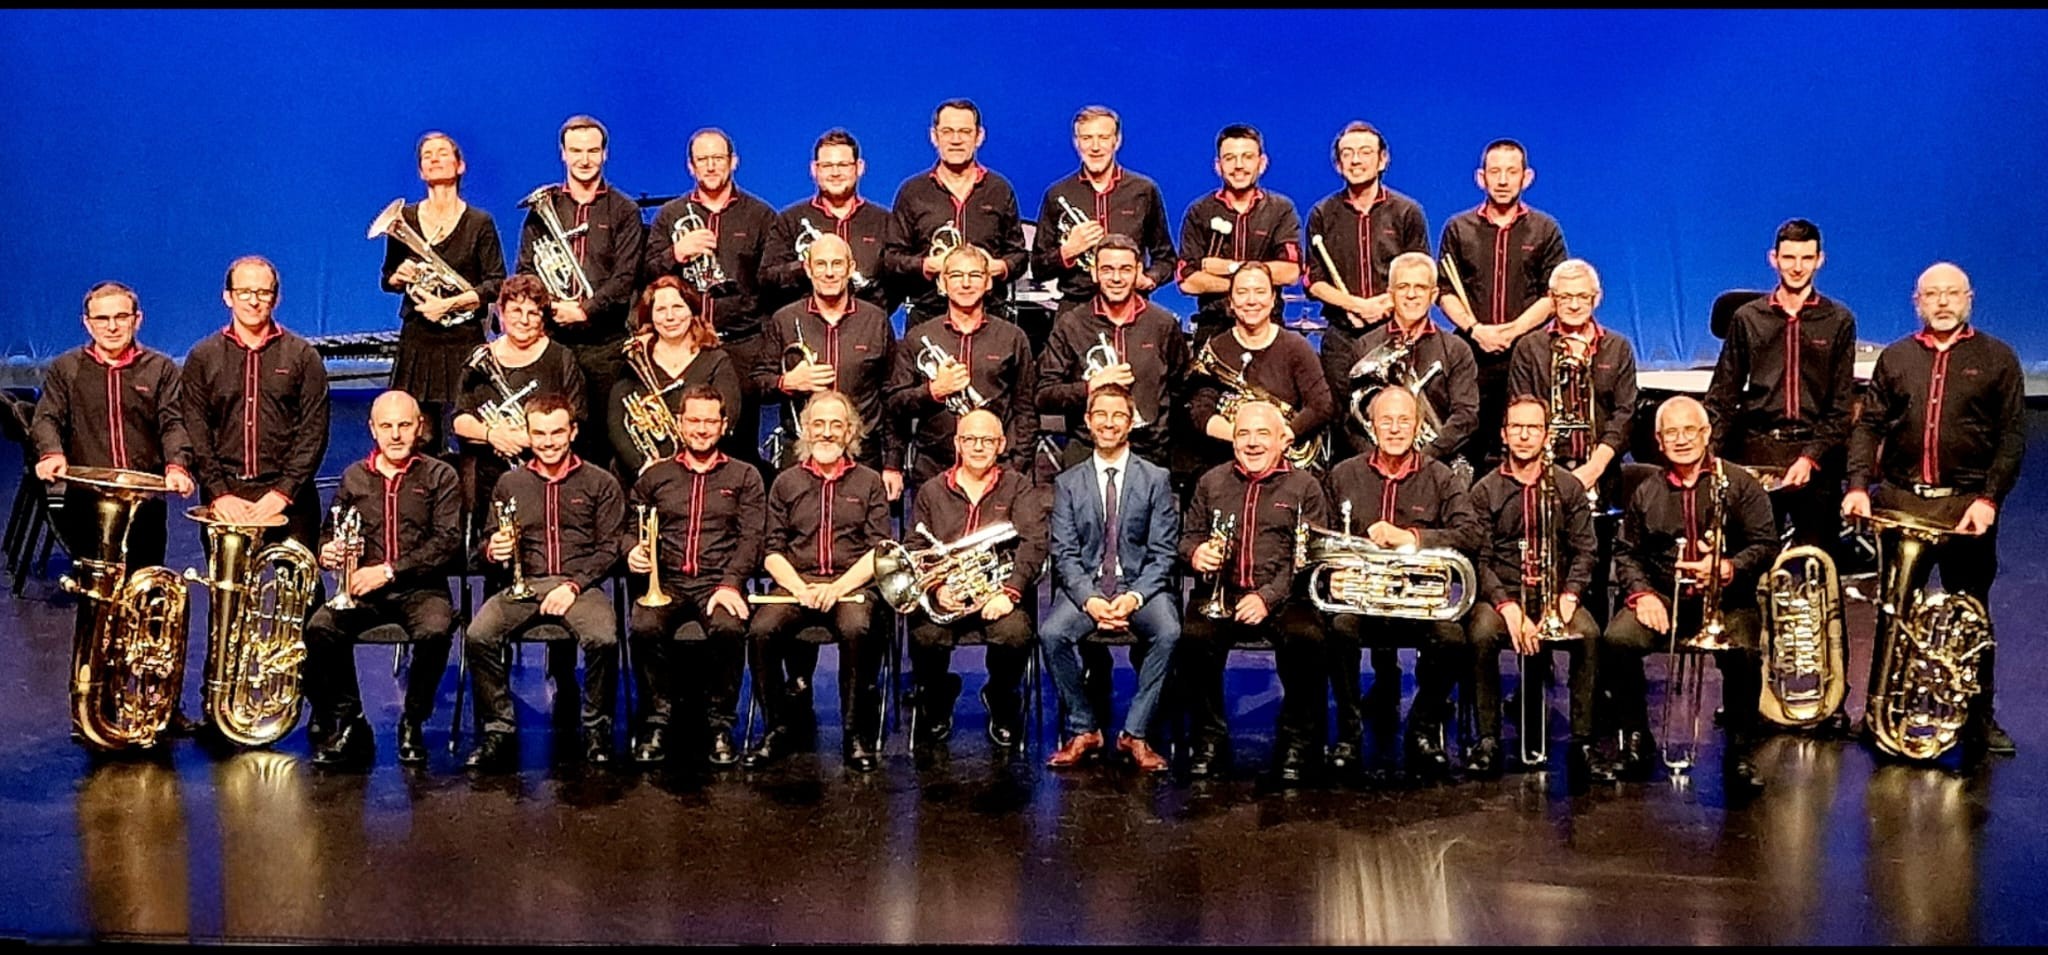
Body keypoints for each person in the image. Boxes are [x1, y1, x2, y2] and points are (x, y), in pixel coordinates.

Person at [1843, 261, 2026, 758]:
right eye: (1932, 294)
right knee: (1893, 611)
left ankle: (1978, 718)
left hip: (1965, 506)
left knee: (1970, 615)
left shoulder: (1998, 358)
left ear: (1969, 299)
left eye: (1952, 293)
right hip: (1901, 501)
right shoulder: (1897, 357)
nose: (1942, 302)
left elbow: (2011, 437)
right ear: (1917, 302)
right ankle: (1879, 714)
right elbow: (1869, 425)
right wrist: (1858, 485)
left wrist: (1989, 499)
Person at [1605, 396, 1776, 793]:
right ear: (1659, 442)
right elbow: (1626, 552)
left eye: (1689, 430)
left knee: (1744, 653)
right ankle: (1636, 738)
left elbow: (1766, 544)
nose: (1681, 440)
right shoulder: (1646, 491)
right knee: (1617, 640)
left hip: (1728, 599)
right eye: (1671, 433)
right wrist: (1643, 595)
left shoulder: (1740, 483)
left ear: (1706, 433)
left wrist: (1729, 567)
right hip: (1666, 598)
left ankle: (1739, 750)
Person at [1320, 387, 1481, 778]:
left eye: (1404, 420)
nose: (1394, 429)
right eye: (1386, 421)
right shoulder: (1343, 475)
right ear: (1371, 427)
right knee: (1338, 631)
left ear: (1419, 425)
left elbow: (1470, 534)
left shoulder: (1441, 478)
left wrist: (1411, 538)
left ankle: (1422, 729)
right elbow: (1320, 536)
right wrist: (1332, 574)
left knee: (1452, 640)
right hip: (1359, 600)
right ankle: (1349, 735)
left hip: (1417, 602)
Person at [464, 393, 627, 771]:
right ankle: (498, 730)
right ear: (528, 434)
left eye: (557, 432)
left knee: (603, 638)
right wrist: (494, 550)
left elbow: (610, 548)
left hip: (580, 586)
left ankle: (596, 729)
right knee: (478, 635)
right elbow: (484, 546)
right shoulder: (509, 483)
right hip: (524, 586)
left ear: (573, 432)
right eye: (539, 434)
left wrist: (572, 586)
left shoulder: (600, 482)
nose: (548, 442)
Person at [301, 391, 462, 768]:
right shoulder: (354, 476)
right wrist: (328, 551)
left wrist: (389, 570)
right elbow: (329, 531)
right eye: (386, 426)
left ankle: (413, 721)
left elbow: (447, 542)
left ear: (420, 427)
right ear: (372, 429)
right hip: (362, 589)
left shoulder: (441, 475)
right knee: (321, 628)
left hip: (421, 587)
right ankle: (352, 721)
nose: (395, 434)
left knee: (436, 631)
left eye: (404, 425)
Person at [1179, 401, 1329, 782]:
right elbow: (1188, 537)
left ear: (1282, 440)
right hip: (1222, 593)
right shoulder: (1210, 482)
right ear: (1233, 441)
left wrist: (1267, 597)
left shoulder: (1306, 487)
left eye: (1263, 433)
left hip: (1285, 595)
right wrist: (1196, 553)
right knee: (1193, 638)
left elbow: (1309, 557)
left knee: (1306, 638)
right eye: (1243, 433)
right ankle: (1209, 739)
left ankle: (1296, 740)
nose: (1252, 442)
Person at [744, 390, 893, 773]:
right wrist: (799, 588)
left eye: (836, 425)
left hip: (852, 585)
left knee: (857, 628)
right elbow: (772, 551)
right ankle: (776, 727)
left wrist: (837, 588)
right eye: (819, 424)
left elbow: (879, 552)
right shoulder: (785, 482)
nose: (827, 433)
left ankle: (854, 733)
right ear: (806, 430)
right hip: (797, 582)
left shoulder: (870, 482)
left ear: (850, 432)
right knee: (761, 631)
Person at [624, 385, 766, 767]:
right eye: (694, 421)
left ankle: (720, 725)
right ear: (680, 423)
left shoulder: (745, 475)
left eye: (710, 421)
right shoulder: (656, 476)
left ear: (724, 425)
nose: (701, 429)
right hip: (666, 581)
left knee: (729, 628)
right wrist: (632, 550)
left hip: (717, 581)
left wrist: (731, 583)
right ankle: (657, 720)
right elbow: (629, 527)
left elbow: (752, 538)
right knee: (644, 627)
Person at [1465, 396, 1605, 781]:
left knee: (1589, 634)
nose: (1525, 436)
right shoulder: (1484, 491)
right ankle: (1488, 739)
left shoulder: (1568, 487)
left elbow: (1586, 550)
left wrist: (1569, 596)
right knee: (1481, 633)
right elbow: (1479, 560)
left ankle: (1583, 742)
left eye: (1533, 428)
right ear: (1504, 434)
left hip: (1556, 595)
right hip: (1502, 595)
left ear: (1546, 436)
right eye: (1517, 428)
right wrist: (1507, 606)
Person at [1041, 386, 1181, 772]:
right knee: (1052, 634)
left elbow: (1163, 553)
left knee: (1169, 631)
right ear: (1088, 421)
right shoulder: (1069, 482)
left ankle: (1135, 732)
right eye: (1100, 414)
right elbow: (1064, 554)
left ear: (1130, 422)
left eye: (1118, 415)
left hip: (1139, 586)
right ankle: (1084, 728)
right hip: (1087, 587)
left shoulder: (1155, 478)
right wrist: (1090, 600)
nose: (1108, 423)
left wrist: (1134, 597)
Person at [1706, 219, 1858, 561]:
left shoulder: (1839, 320)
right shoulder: (1747, 318)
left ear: (1820, 260)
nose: (1797, 267)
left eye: (1806, 258)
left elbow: (1840, 407)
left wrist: (1810, 457)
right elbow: (1723, 395)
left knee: (1818, 562)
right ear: (1773, 259)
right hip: (1757, 453)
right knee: (1750, 560)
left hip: (1816, 454)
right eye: (1789, 258)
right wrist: (1709, 456)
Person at [904, 410, 1047, 755]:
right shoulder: (931, 491)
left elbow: (1035, 542)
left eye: (987, 440)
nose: (978, 447)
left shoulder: (1018, 487)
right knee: (924, 635)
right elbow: (915, 548)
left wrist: (1010, 592)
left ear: (1001, 444)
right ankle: (937, 695)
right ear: (957, 443)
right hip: (946, 593)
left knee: (1014, 634)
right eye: (970, 439)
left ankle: (1000, 696)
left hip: (999, 593)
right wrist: (936, 588)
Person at [513, 114, 646, 470]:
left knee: (603, 440)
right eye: (575, 151)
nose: (584, 159)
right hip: (554, 342)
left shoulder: (624, 210)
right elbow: (527, 271)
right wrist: (553, 306)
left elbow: (625, 277)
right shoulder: (542, 211)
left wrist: (585, 309)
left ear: (605, 154)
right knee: (552, 435)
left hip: (606, 346)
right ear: (563, 153)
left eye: (592, 151)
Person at [33, 281, 195, 572]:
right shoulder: (66, 368)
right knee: (93, 587)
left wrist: (177, 466)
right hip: (87, 500)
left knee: (144, 584)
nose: (112, 327)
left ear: (137, 319)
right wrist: (51, 453)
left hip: (145, 502)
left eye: (121, 317)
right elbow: (47, 418)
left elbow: (173, 422)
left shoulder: (161, 368)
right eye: (102, 318)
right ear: (87, 323)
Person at [643, 128, 777, 468]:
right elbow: (645, 274)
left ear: (734, 161)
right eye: (702, 159)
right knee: (683, 434)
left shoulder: (760, 215)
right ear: (691, 166)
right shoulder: (671, 214)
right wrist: (676, 253)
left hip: (742, 346)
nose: (711, 166)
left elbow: (772, 283)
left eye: (718, 158)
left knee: (739, 441)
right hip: (684, 347)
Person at [182, 256, 330, 554]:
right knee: (227, 585)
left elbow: (314, 432)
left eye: (263, 292)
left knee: (300, 584)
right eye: (244, 292)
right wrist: (219, 493)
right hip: (226, 499)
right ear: (228, 297)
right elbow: (196, 431)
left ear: (276, 298)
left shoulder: (303, 356)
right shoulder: (202, 357)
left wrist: (283, 492)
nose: (253, 301)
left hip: (291, 499)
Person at [1436, 139, 1568, 469]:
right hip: (1471, 352)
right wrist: (1475, 329)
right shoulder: (1458, 228)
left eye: (1512, 172)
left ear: (1527, 177)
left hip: (1526, 353)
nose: (1504, 180)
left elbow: (1553, 294)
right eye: (1495, 172)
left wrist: (1513, 331)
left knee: (1524, 441)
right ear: (1481, 178)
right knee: (1469, 447)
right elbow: (1444, 290)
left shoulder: (1545, 229)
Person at [1303, 120, 1432, 459]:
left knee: (1394, 414)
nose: (1356, 160)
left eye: (1365, 152)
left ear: (1382, 159)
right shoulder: (1322, 213)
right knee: (1345, 420)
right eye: (1348, 153)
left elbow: (1419, 272)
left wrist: (1382, 306)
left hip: (1393, 333)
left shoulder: (1407, 212)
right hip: (1341, 336)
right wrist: (1355, 305)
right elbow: (1313, 280)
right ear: (1338, 163)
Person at [380, 130, 506, 455]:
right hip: (418, 339)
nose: (434, 159)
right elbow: (386, 278)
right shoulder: (404, 220)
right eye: (427, 156)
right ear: (421, 171)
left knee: (469, 435)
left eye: (442, 153)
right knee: (420, 435)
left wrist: (449, 304)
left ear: (460, 166)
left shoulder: (480, 222)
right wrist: (399, 276)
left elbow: (495, 283)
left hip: (463, 337)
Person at [755, 233, 901, 495]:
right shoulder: (784, 320)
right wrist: (786, 383)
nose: (830, 273)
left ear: (850, 268)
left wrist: (892, 463)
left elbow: (891, 394)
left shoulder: (876, 320)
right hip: (801, 451)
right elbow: (757, 382)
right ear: (808, 269)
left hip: (862, 453)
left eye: (837, 264)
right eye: (821, 264)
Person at [885, 243, 1037, 485]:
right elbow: (895, 404)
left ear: (988, 282)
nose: (966, 284)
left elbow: (1025, 410)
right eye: (956, 275)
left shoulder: (1013, 337)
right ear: (942, 283)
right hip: (933, 470)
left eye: (974, 275)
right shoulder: (918, 337)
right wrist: (933, 392)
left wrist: (1019, 466)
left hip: (999, 470)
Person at [1036, 235, 1190, 469]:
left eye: (1125, 269)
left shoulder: (1163, 324)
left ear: (1138, 272)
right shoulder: (1071, 324)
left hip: (1150, 451)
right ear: (1094, 273)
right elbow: (1044, 396)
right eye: (1107, 269)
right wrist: (1090, 387)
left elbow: (1181, 388)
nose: (1116, 278)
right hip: (1087, 449)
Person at [450, 273, 587, 518]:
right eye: (515, 311)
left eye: (533, 313)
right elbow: (460, 420)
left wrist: (527, 439)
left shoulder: (561, 358)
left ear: (543, 318)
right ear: (501, 313)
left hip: (548, 474)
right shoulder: (480, 358)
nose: (524, 320)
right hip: (490, 476)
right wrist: (493, 435)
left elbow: (578, 417)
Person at [883, 99, 1030, 324]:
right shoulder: (912, 192)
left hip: (990, 318)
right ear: (934, 136)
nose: (956, 140)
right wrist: (928, 265)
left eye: (965, 132)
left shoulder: (999, 190)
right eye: (947, 131)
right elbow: (891, 259)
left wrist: (998, 267)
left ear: (979, 136)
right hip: (928, 316)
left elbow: (1019, 256)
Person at [1506, 258, 1638, 508]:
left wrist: (1594, 468)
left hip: (1604, 473)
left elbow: (1625, 414)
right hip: (1542, 472)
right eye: (1565, 297)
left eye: (1582, 296)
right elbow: (1520, 411)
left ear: (1596, 298)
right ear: (1551, 299)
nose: (1574, 305)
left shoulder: (1618, 347)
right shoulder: (1529, 348)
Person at [1185, 263, 1331, 475]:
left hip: (1285, 463)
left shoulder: (1296, 347)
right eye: (1242, 292)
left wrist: (1282, 435)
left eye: (1260, 292)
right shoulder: (1215, 349)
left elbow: (1321, 405)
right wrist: (1245, 438)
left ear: (1273, 300)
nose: (1251, 300)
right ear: (1231, 301)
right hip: (1226, 464)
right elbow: (1200, 411)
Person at [1030, 105, 1176, 307]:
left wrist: (1149, 279)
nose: (1095, 147)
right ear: (1076, 142)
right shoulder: (1057, 194)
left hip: (1132, 307)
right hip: (1076, 310)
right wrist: (1068, 251)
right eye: (1087, 138)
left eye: (1104, 138)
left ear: (1117, 141)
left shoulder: (1144, 190)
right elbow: (1038, 268)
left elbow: (1167, 259)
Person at [1174, 124, 1303, 349]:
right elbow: (1187, 281)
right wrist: (1252, 285)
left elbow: (1290, 272)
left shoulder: (1281, 209)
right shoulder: (1199, 211)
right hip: (1213, 328)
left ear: (1262, 163)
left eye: (1247, 157)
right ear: (1218, 166)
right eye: (1230, 158)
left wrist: (1230, 268)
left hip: (1270, 329)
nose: (1239, 165)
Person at [1346, 252, 1481, 466]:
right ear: (1390, 294)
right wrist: (1381, 458)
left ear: (1433, 295)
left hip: (1438, 465)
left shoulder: (1456, 350)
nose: (1411, 295)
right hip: (1377, 466)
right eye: (1403, 287)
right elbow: (1352, 420)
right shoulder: (1364, 347)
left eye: (1420, 287)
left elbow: (1465, 416)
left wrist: (1423, 458)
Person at [607, 277, 744, 476]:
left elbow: (727, 417)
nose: (670, 317)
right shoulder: (635, 358)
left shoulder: (716, 360)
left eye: (678, 307)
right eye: (661, 310)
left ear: (692, 310)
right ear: (650, 316)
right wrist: (641, 466)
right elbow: (617, 423)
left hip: (701, 468)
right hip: (642, 472)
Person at [761, 128, 897, 314]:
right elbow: (767, 278)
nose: (835, 173)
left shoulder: (884, 221)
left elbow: (897, 283)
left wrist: (872, 315)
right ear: (814, 169)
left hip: (868, 326)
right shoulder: (789, 220)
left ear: (859, 167)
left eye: (843, 165)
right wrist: (808, 266)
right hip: (805, 325)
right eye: (827, 165)